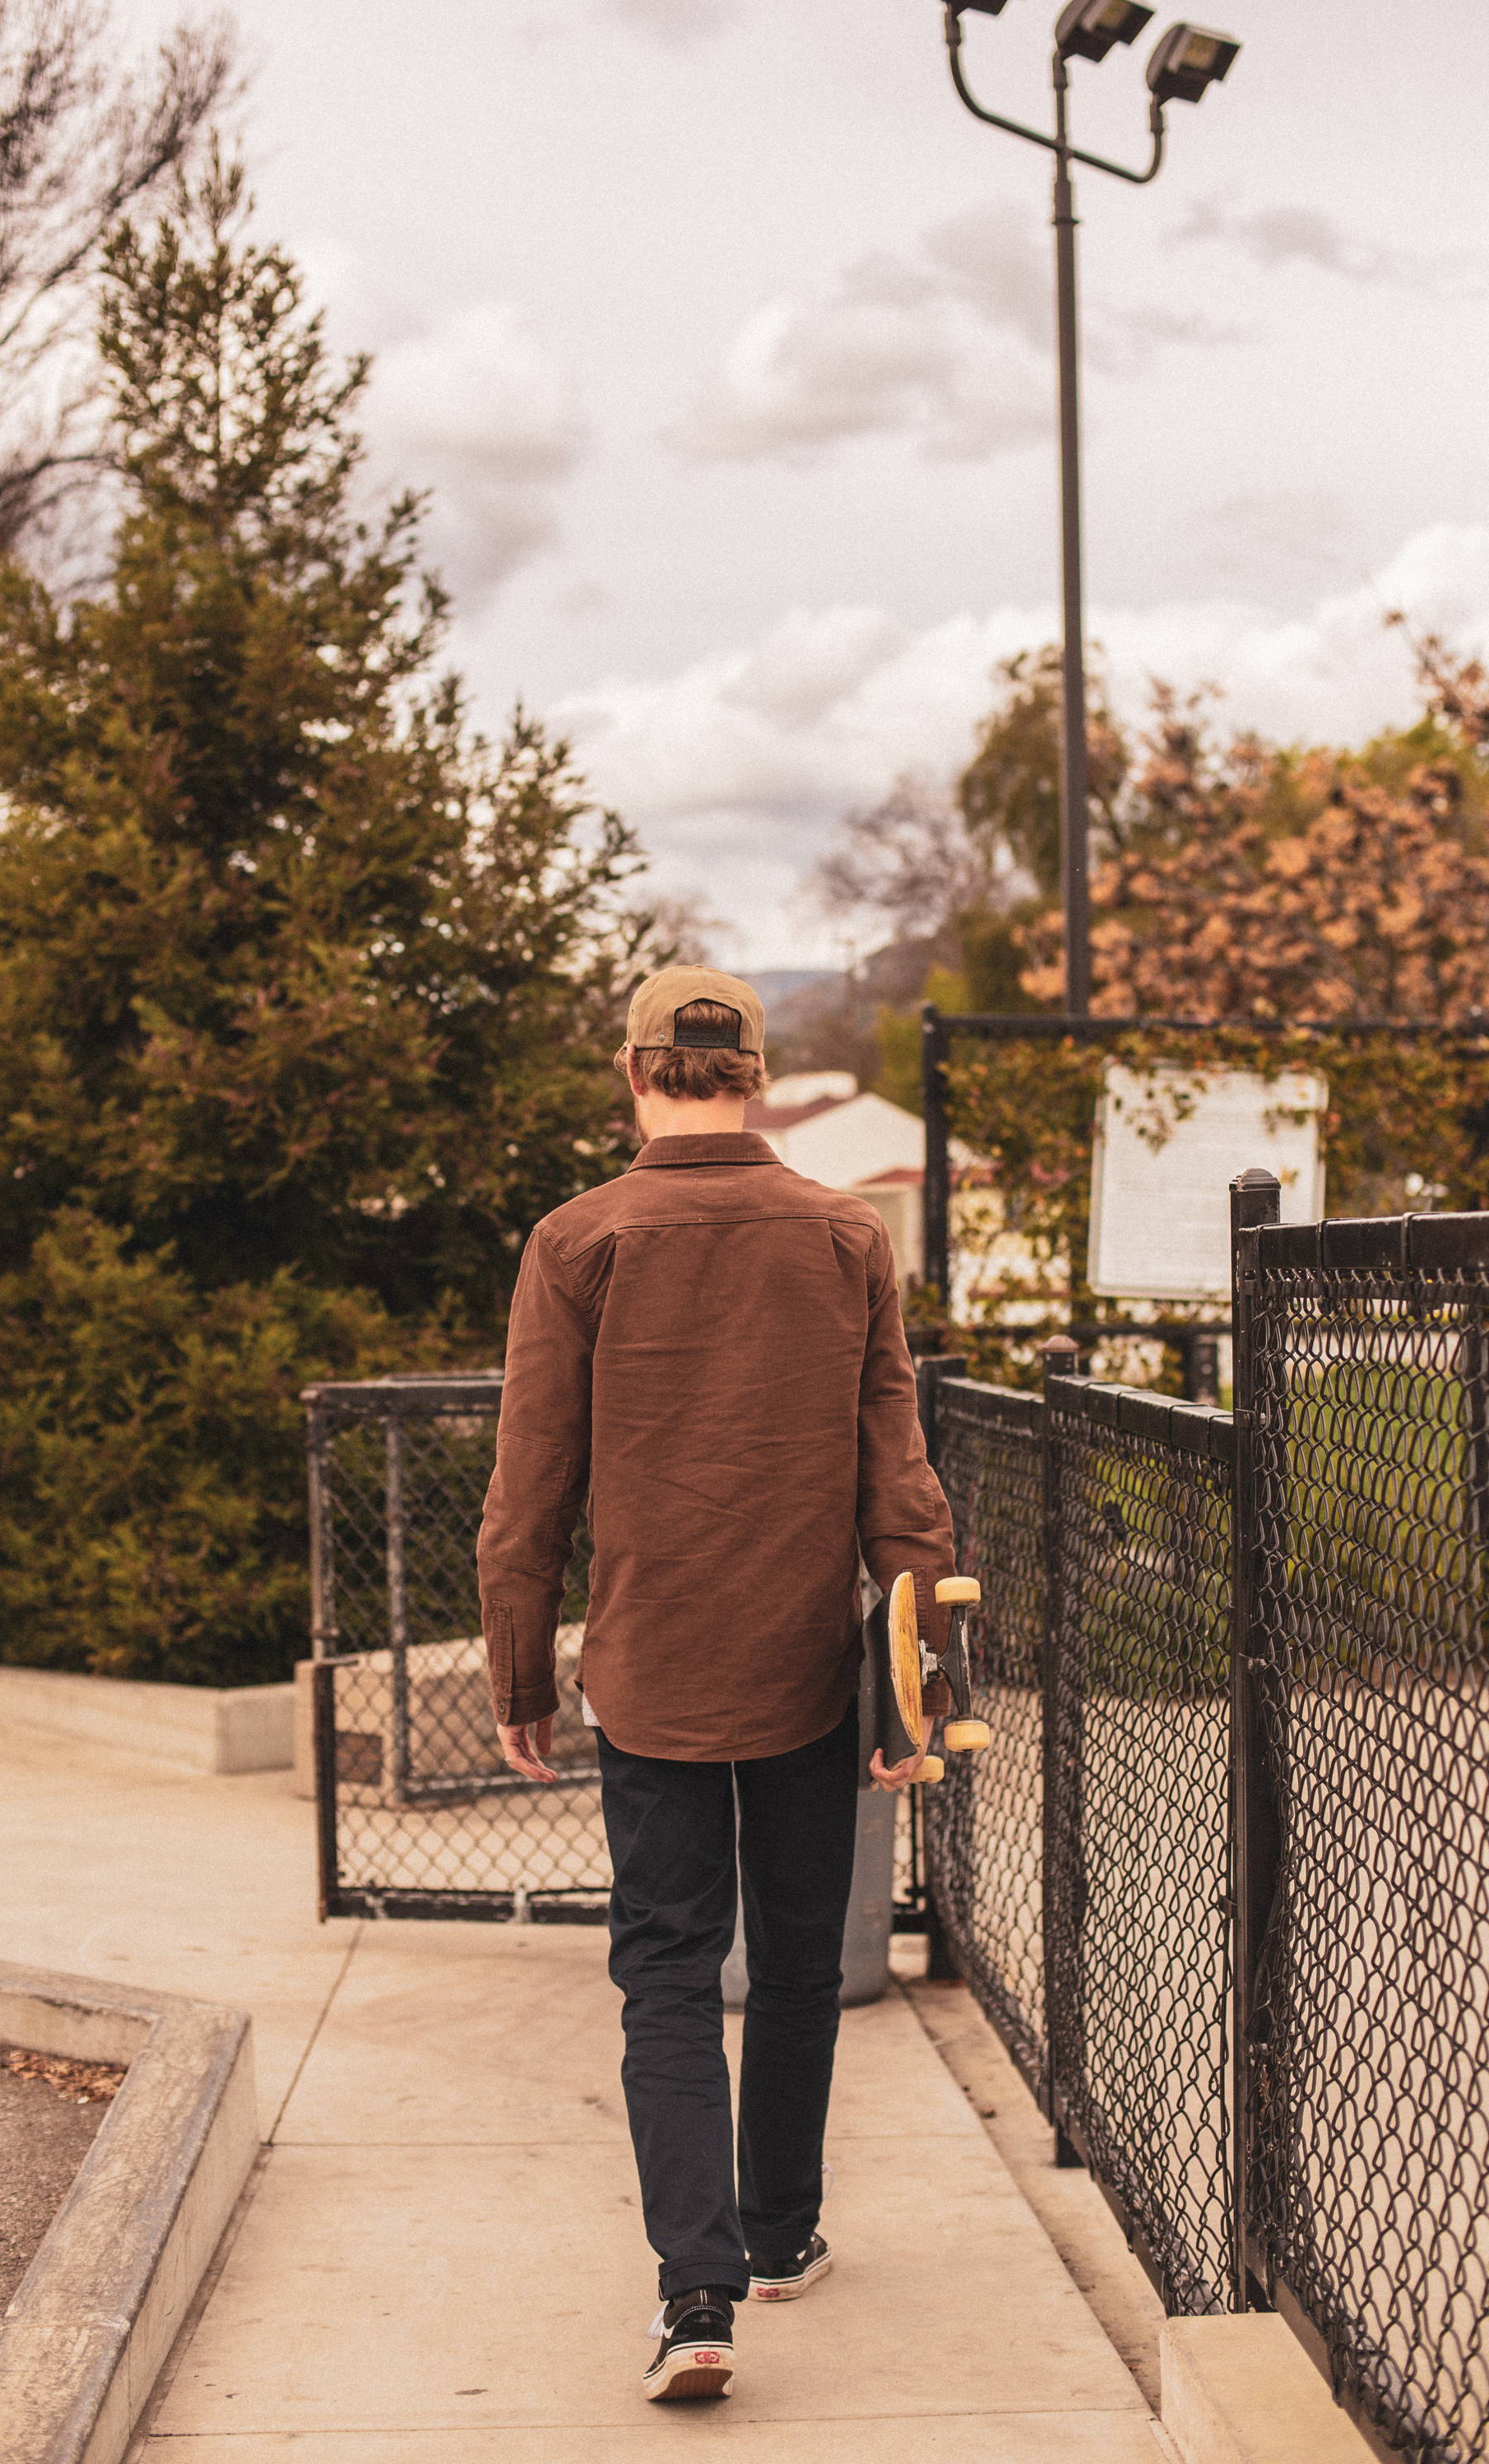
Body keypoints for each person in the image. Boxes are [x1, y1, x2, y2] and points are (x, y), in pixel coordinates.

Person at [476, 964, 956, 2402]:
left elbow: (530, 1483)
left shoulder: (579, 1239)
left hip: (650, 1663)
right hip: (809, 1662)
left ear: (633, 1070)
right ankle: (782, 2231)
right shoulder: (844, 1235)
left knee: (667, 1972)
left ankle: (696, 2295)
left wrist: (520, 1666)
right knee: (799, 1960)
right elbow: (903, 1486)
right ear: (756, 1072)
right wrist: (918, 1685)